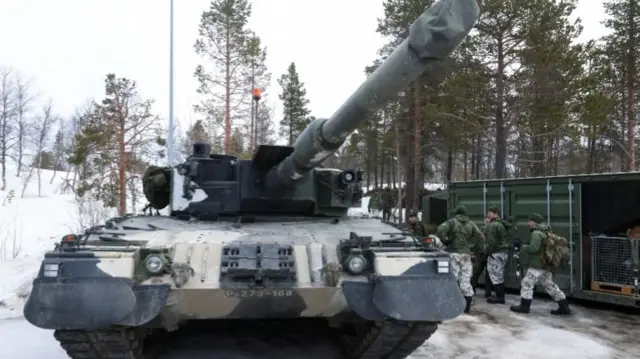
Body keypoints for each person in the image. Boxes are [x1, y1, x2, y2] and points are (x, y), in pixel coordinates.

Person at [510, 213, 571, 315]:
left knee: (527, 283)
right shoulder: (546, 231)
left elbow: (534, 249)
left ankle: (524, 307)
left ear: (534, 222)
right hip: (546, 263)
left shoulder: (536, 233)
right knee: (549, 285)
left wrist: (521, 247)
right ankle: (564, 306)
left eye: (529, 221)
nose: (528, 223)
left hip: (537, 264)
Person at [437, 205, 485, 314]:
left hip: (453, 254)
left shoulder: (452, 222)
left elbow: (440, 230)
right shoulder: (471, 224)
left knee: (453, 280)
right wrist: (474, 248)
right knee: (466, 281)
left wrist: (446, 241)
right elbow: (481, 237)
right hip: (466, 255)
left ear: (457, 213)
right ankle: (466, 308)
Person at [485, 206, 514, 304]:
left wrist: (487, 251)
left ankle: (500, 297)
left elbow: (491, 242)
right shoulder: (502, 224)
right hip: (504, 252)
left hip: (496, 253)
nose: (488, 214)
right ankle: (499, 295)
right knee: (499, 274)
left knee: (495, 274)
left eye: (490, 212)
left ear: (496, 213)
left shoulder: (494, 225)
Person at [471, 217, 493, 298]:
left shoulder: (482, 229)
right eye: (486, 218)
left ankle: (472, 290)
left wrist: (474, 253)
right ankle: (488, 293)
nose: (486, 220)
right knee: (488, 275)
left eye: (488, 219)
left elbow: (477, 241)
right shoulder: (493, 229)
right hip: (488, 254)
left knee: (475, 273)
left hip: (481, 254)